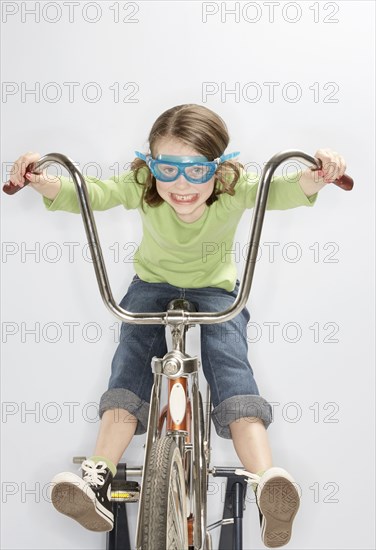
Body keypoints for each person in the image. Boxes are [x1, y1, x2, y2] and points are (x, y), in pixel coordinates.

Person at [8, 104, 347, 548]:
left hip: (216, 290)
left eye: (195, 170)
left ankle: (267, 485)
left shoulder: (235, 186)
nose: (180, 185)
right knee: (128, 366)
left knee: (231, 369)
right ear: (150, 165)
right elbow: (92, 193)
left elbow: (282, 188)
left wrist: (319, 172)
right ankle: (97, 480)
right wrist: (43, 179)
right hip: (152, 284)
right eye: (166, 169)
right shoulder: (142, 184)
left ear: (219, 167)